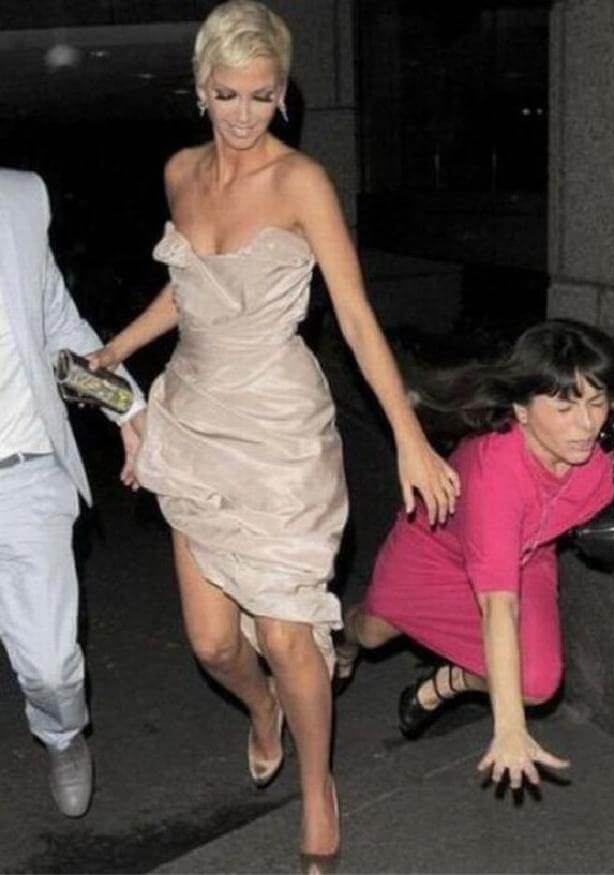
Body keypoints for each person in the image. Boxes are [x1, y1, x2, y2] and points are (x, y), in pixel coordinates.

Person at [89, 1, 458, 868]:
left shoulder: (301, 184)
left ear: (283, 92)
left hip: (281, 430)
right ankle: (264, 709)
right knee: (215, 643)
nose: (245, 115)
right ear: (200, 89)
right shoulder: (181, 173)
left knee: (289, 634)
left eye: (262, 95)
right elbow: (189, 289)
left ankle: (318, 783)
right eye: (228, 94)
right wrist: (117, 347)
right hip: (195, 419)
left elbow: (356, 319)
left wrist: (408, 435)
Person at [335, 319, 614, 790]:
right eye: (564, 408)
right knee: (372, 634)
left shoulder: (603, 422)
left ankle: (449, 682)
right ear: (521, 410)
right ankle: (340, 639)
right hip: (435, 552)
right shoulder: (496, 479)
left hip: (529, 553)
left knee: (538, 685)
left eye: (595, 402)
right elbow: (498, 606)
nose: (586, 424)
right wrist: (509, 730)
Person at [0, 167, 145, 817]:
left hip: (23, 473)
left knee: (52, 669)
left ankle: (61, 734)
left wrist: (128, 408)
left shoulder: (17, 200)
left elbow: (58, 326)